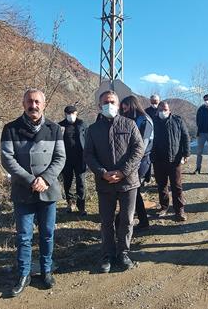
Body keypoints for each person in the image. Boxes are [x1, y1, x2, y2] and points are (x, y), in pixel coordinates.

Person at [0, 89, 66, 297]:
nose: (33, 105)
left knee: (47, 234)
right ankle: (24, 274)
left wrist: (45, 179)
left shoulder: (55, 129)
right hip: (23, 189)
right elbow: (7, 159)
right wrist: (30, 180)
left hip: (48, 189)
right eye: (30, 101)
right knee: (23, 236)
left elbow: (60, 158)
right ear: (23, 103)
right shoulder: (10, 128)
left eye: (37, 102)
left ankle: (46, 270)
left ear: (44, 104)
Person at [84, 90, 145, 273]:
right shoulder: (93, 130)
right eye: (105, 102)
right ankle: (107, 254)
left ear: (118, 105)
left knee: (126, 220)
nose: (109, 105)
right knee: (106, 221)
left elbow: (138, 149)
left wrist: (123, 171)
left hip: (128, 182)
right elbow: (88, 154)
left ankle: (123, 253)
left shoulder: (130, 124)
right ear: (99, 105)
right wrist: (103, 173)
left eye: (112, 102)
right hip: (105, 183)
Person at [151, 100, 191, 221]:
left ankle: (179, 210)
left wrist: (186, 153)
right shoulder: (152, 122)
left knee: (177, 186)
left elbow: (185, 136)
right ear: (157, 111)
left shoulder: (177, 120)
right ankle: (164, 207)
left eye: (165, 110)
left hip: (174, 159)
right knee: (161, 185)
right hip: (158, 159)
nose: (163, 112)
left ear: (169, 110)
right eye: (160, 110)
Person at [120, 96, 154, 230]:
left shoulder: (144, 120)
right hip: (132, 160)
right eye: (123, 109)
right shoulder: (132, 119)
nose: (124, 111)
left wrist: (132, 163)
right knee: (134, 191)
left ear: (132, 106)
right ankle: (142, 220)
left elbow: (142, 146)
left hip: (141, 160)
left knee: (133, 190)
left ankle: (126, 220)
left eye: (126, 108)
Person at [58, 105, 88, 216]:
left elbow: (87, 139)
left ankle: (81, 206)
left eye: (73, 113)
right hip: (66, 158)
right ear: (65, 114)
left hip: (80, 158)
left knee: (81, 182)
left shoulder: (82, 124)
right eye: (69, 114)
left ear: (76, 113)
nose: (71, 116)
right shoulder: (60, 126)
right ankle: (70, 203)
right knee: (67, 182)